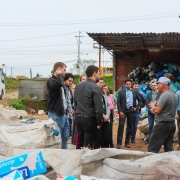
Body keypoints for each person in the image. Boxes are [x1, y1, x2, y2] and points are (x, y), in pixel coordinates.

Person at [74, 65, 103, 149]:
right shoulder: (95, 87)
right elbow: (98, 107)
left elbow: (75, 102)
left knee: (79, 144)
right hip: (89, 119)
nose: (99, 75)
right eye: (98, 73)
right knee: (88, 146)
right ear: (94, 74)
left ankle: (78, 161)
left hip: (78, 117)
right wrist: (99, 122)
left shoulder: (78, 86)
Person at [148, 77, 177, 153]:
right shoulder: (173, 95)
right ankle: (169, 164)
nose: (157, 86)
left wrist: (152, 105)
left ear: (162, 85)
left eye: (158, 84)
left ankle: (150, 164)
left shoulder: (164, 95)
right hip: (171, 124)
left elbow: (157, 111)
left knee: (152, 149)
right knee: (168, 149)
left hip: (162, 125)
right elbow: (166, 110)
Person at [47, 62, 69, 149]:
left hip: (63, 114)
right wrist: (60, 75)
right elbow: (58, 83)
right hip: (56, 114)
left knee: (65, 136)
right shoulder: (51, 81)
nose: (65, 72)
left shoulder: (60, 82)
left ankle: (64, 153)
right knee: (56, 137)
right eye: (64, 70)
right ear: (58, 69)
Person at [117, 79, 142, 149]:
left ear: (131, 85)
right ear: (125, 85)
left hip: (131, 111)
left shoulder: (134, 92)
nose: (128, 85)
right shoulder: (121, 92)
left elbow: (140, 100)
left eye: (129, 84)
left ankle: (127, 142)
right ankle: (119, 143)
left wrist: (136, 108)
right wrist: (120, 111)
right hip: (123, 111)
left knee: (130, 126)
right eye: (127, 84)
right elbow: (118, 102)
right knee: (121, 126)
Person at [95, 83, 110, 148]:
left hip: (106, 118)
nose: (105, 90)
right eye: (104, 88)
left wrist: (107, 115)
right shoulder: (98, 96)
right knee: (99, 136)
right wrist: (103, 116)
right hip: (100, 118)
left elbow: (108, 106)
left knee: (106, 136)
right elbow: (98, 107)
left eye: (107, 89)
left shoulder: (105, 96)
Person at [64, 73, 75, 138]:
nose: (71, 82)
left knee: (66, 135)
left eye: (72, 81)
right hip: (63, 114)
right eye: (69, 81)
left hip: (69, 114)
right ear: (65, 80)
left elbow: (70, 102)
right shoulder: (62, 89)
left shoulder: (69, 90)